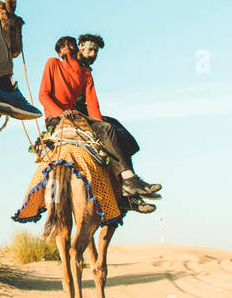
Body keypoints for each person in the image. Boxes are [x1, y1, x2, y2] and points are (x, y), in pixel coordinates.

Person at [38, 35, 161, 198]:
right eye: (63, 47)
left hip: (77, 115)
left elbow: (93, 103)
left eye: (69, 46)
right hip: (57, 117)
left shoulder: (86, 73)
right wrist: (60, 113)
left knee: (110, 128)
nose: (67, 50)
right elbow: (43, 95)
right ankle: (128, 180)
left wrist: (99, 126)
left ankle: (128, 182)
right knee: (109, 128)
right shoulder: (52, 63)